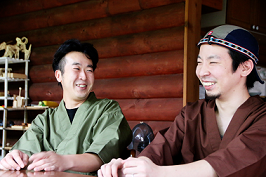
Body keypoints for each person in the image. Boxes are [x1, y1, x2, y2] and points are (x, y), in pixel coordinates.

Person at [98, 25, 266, 177]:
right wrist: (129, 167)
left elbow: (229, 162)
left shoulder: (262, 118)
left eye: (213, 62)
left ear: (245, 67)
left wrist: (158, 173)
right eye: (199, 62)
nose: (202, 72)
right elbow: (161, 149)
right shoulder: (191, 114)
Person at [0, 39, 132, 176]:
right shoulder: (44, 120)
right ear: (59, 75)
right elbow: (24, 154)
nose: (84, 76)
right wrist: (13, 159)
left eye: (89, 70)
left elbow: (101, 155)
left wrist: (62, 161)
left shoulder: (108, 110)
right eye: (77, 69)